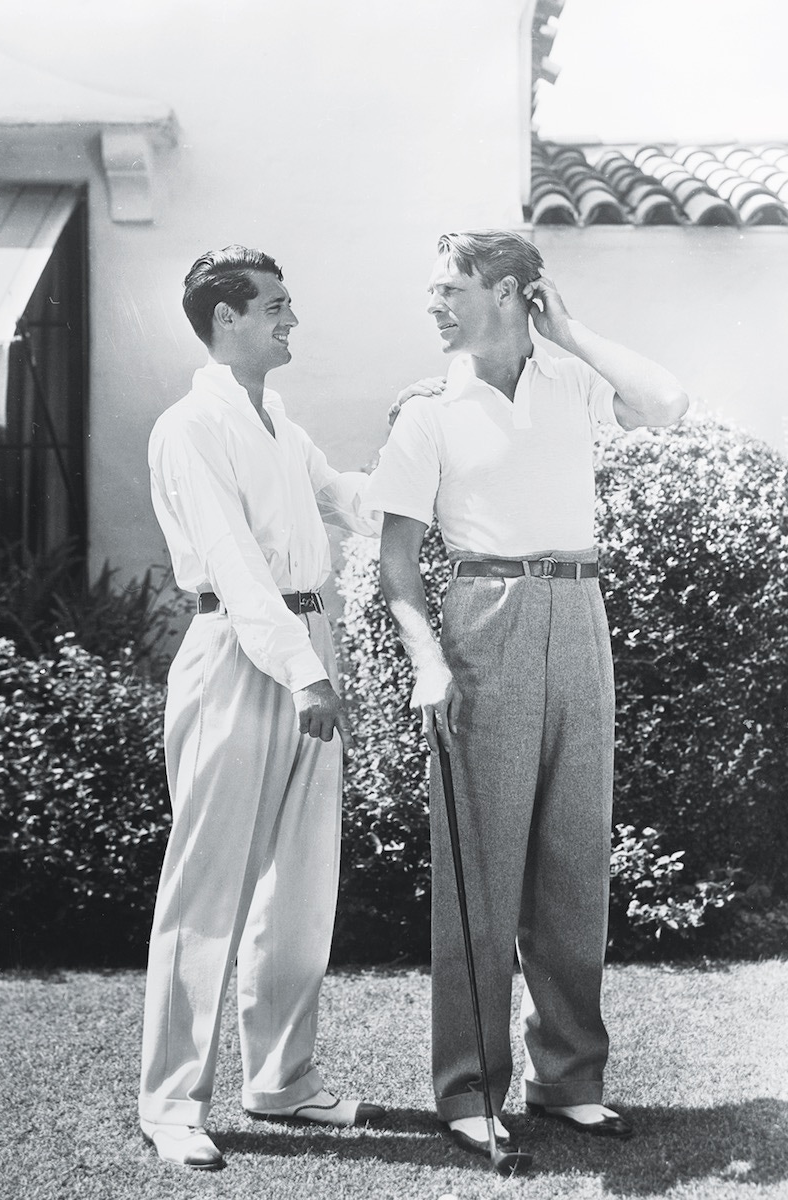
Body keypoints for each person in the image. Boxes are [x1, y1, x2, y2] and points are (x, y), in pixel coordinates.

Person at [367, 229, 689, 1161]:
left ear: (511, 293)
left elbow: (667, 403)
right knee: (482, 866)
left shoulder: (571, 381)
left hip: (577, 611)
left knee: (573, 859)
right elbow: (396, 563)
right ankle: (469, 1091)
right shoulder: (426, 410)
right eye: (431, 287)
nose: (433, 304)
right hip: (484, 619)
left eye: (451, 287)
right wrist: (428, 655)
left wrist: (573, 329)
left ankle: (568, 1078)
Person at [139, 245, 387, 1170]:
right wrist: (302, 673)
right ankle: (171, 1105)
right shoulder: (188, 427)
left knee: (300, 880)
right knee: (209, 885)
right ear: (225, 320)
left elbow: (342, 501)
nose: (292, 319)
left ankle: (281, 1080)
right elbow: (236, 566)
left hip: (305, 646)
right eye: (276, 305)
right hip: (244, 655)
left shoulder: (276, 416)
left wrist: (411, 469)